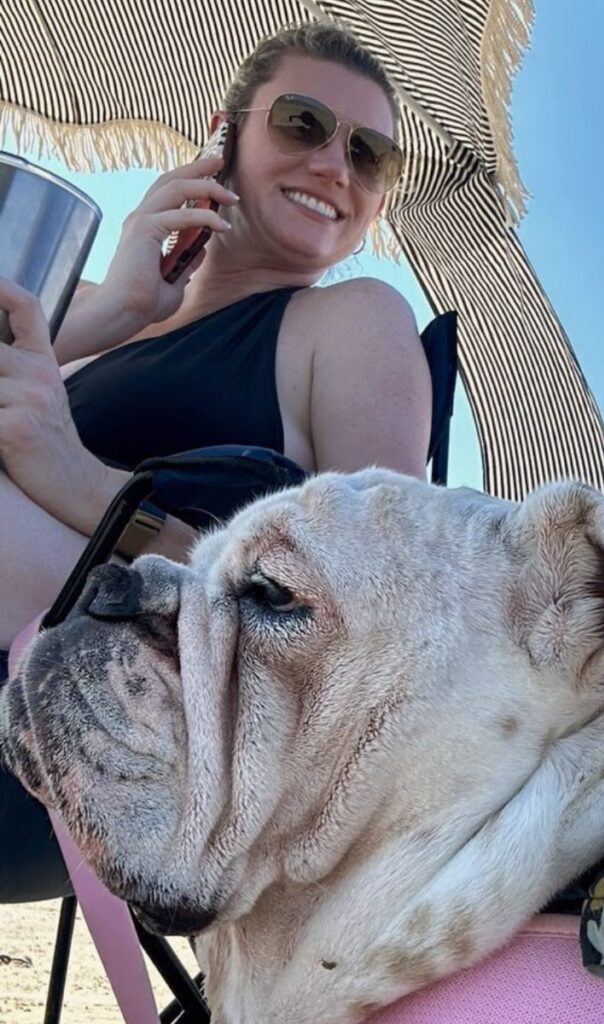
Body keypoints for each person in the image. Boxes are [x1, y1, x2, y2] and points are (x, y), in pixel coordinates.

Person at [0, 22, 432, 901]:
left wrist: (80, 481)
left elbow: (365, 627)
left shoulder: (351, 322)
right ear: (223, 137)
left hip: (98, 730)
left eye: (370, 155)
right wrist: (118, 309)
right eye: (303, 123)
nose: (335, 166)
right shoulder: (95, 308)